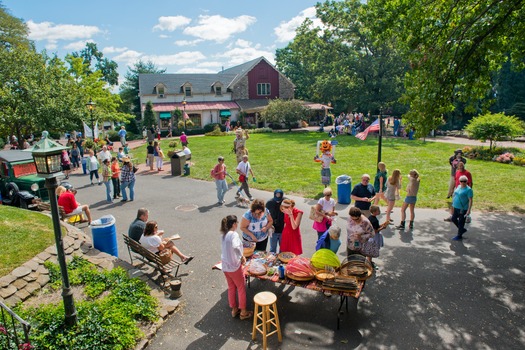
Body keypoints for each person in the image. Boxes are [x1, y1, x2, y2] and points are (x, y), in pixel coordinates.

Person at [220, 215, 252, 320]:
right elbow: (235, 246)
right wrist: (241, 257)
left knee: (231, 287)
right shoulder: (233, 235)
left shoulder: (224, 235)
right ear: (234, 224)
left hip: (225, 266)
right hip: (234, 266)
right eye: (237, 223)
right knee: (241, 288)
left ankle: (234, 309)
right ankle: (243, 312)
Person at [450, 175, 473, 240]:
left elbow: (470, 200)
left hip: (463, 208)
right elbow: (455, 196)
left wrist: (469, 210)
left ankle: (459, 235)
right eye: (461, 181)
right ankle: (462, 229)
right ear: (459, 182)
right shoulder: (459, 187)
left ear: (466, 182)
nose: (463, 183)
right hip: (456, 207)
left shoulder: (469, 190)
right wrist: (452, 206)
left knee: (461, 222)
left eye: (464, 181)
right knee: (453, 219)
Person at [266, 189, 285, 253]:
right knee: (272, 249)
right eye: (276, 200)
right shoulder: (269, 203)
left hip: (283, 230)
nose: (277, 202)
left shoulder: (286, 202)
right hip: (273, 230)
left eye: (279, 200)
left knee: (282, 248)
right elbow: (266, 216)